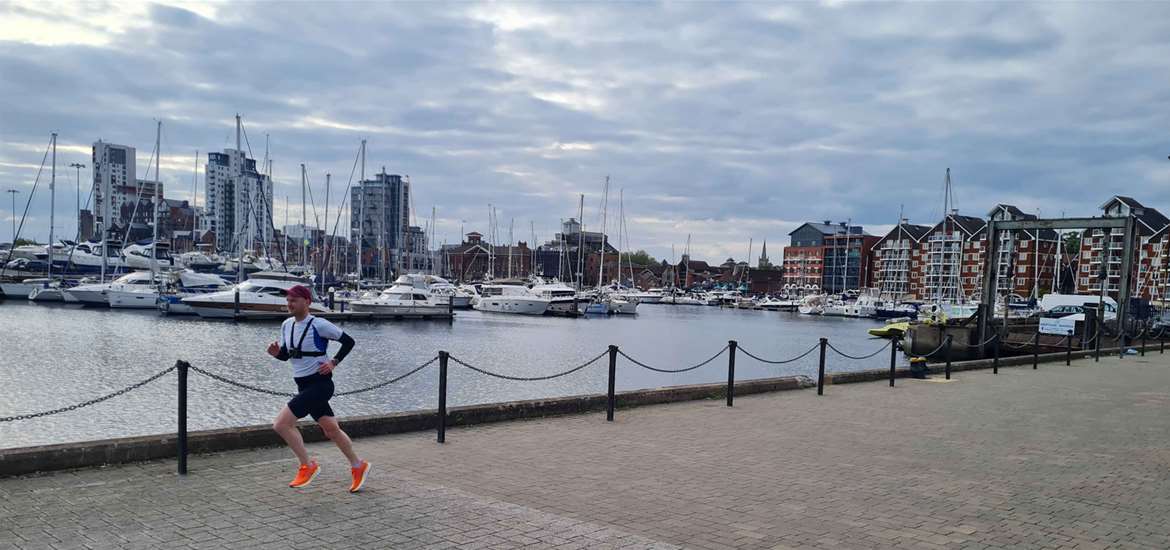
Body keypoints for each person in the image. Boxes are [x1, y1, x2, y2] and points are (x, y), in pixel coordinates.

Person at [266, 284, 370, 492]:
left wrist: (333, 362)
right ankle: (359, 466)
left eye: (294, 300)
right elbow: (288, 355)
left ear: (307, 302)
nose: (289, 303)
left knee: (281, 424)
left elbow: (349, 341)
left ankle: (308, 465)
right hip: (303, 385)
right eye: (288, 300)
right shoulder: (287, 325)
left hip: (321, 384)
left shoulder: (319, 324)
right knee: (331, 430)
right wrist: (277, 353)